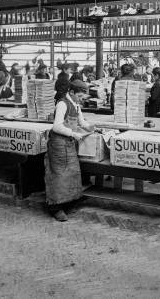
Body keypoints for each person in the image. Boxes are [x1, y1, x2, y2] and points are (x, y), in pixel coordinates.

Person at [45, 80, 95, 221]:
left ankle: (68, 203)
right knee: (59, 175)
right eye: (79, 96)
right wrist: (73, 134)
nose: (81, 99)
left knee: (71, 173)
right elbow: (56, 127)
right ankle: (55, 208)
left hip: (68, 143)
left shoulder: (76, 105)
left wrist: (91, 128)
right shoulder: (62, 104)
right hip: (58, 144)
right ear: (71, 92)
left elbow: (81, 122)